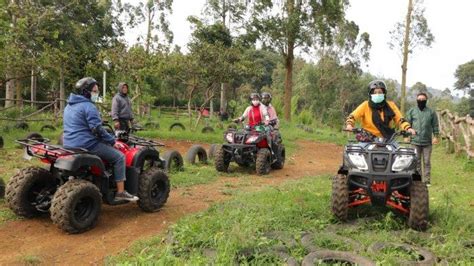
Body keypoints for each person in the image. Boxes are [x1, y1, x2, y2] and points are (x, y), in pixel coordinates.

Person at [63, 77, 138, 202]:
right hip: (87, 144)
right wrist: (113, 141)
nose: (96, 93)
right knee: (120, 157)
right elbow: (97, 130)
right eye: (94, 91)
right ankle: (121, 192)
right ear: (86, 92)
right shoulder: (88, 106)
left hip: (69, 143)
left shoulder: (69, 106)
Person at [345, 80, 416, 139]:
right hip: (367, 138)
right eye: (375, 93)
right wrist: (349, 125)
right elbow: (353, 116)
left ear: (384, 93)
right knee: (358, 154)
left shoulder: (391, 105)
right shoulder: (365, 105)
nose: (377, 94)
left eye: (380, 92)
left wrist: (408, 128)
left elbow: (400, 119)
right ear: (370, 94)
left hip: (388, 139)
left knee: (397, 154)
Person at [406, 92, 439, 185]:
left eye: (423, 100)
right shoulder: (411, 111)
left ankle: (427, 180)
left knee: (427, 161)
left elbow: (435, 125)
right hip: (414, 141)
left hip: (427, 142)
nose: (421, 101)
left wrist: (436, 136)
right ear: (416, 100)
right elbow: (407, 124)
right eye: (419, 99)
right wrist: (407, 136)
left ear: (426, 100)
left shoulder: (431, 112)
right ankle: (418, 180)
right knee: (416, 162)